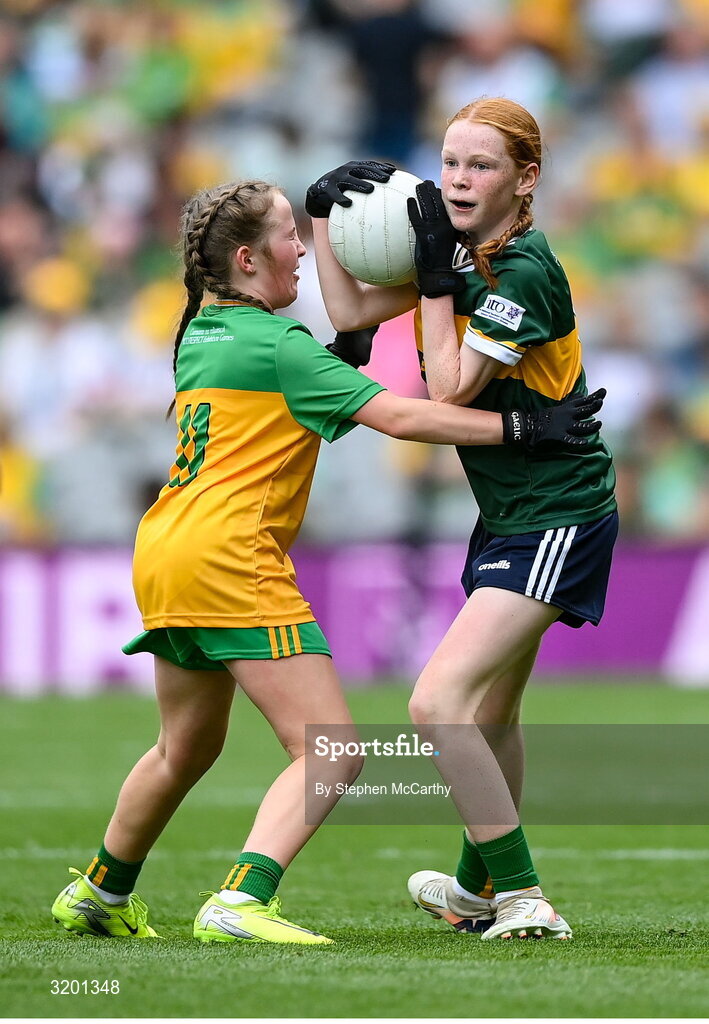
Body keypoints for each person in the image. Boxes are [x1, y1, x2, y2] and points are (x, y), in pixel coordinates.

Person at [50, 177, 602, 946]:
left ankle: (99, 892)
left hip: (166, 548)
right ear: (246, 259)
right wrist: (524, 426)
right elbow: (402, 416)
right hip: (231, 555)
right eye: (289, 236)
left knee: (183, 747)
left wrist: (343, 345)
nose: (303, 249)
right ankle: (243, 899)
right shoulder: (277, 345)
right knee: (331, 750)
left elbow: (287, 408)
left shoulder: (204, 331)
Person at [308, 96, 617, 940]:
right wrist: (318, 217)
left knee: (436, 702)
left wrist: (437, 279)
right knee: (489, 716)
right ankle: (479, 893)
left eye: (479, 165)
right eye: (448, 162)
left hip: (559, 514)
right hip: (511, 513)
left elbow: (446, 389)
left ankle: (523, 899)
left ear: (526, 181)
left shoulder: (517, 269)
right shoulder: (468, 250)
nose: (456, 178)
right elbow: (349, 315)